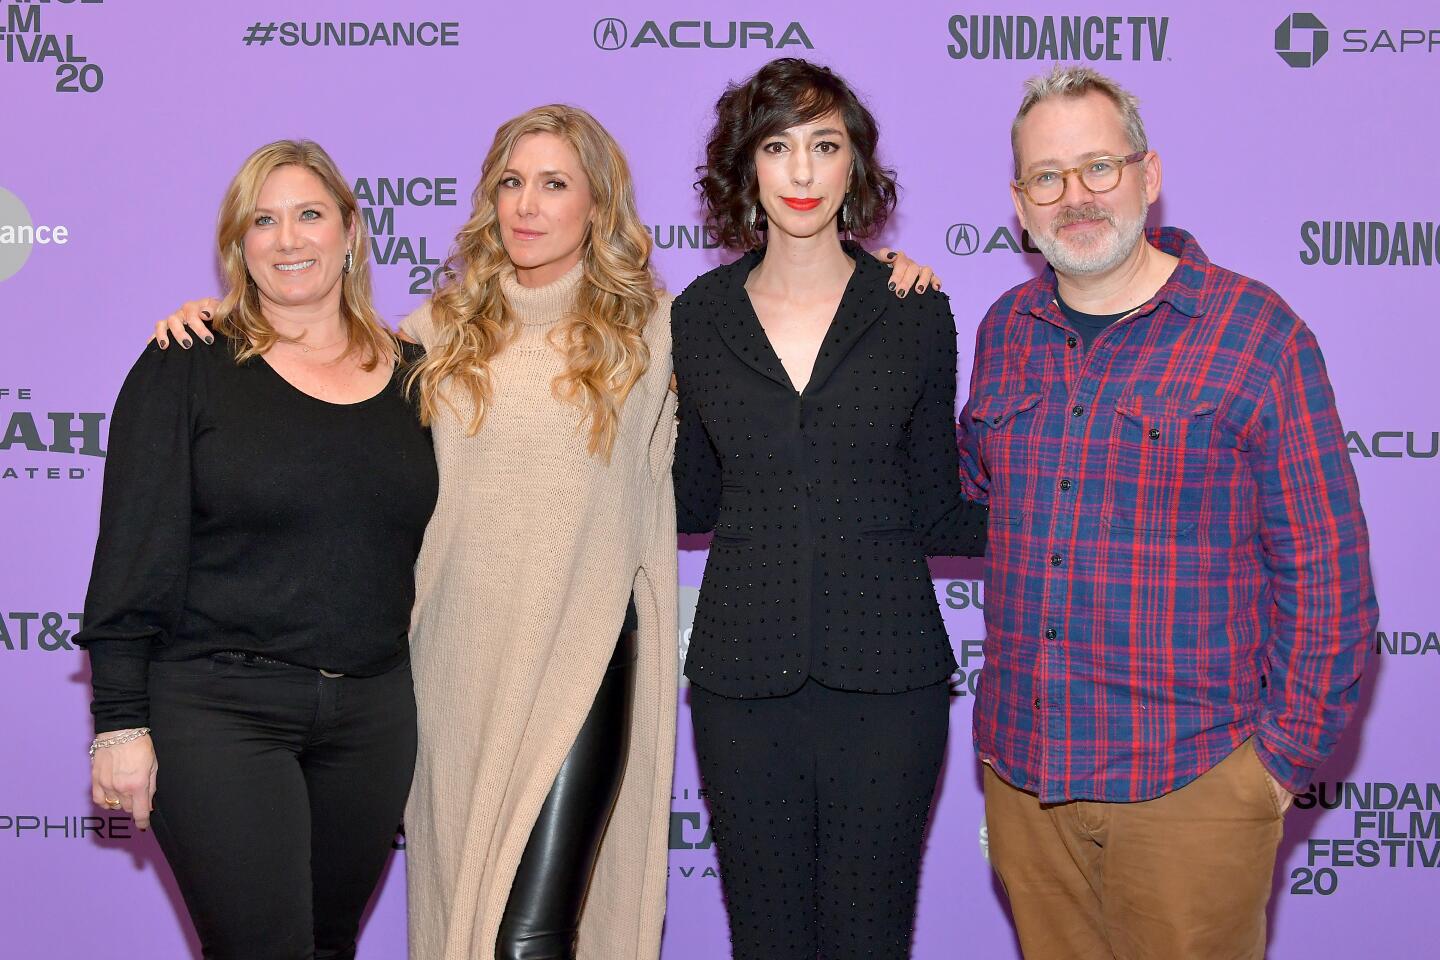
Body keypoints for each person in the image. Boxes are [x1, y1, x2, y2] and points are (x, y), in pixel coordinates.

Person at [149, 109, 938, 960]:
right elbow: (314, 360)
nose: (527, 205)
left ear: (597, 205)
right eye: (511, 183)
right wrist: (224, 317)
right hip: (456, 667)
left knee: (533, 933)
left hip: (584, 657)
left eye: (555, 183)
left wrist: (877, 274)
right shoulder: (429, 338)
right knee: (468, 913)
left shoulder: (661, 332)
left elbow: (791, 308)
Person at [958, 65, 1378, 959]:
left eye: (1099, 167)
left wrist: (1269, 774)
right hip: (1026, 779)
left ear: (1149, 176)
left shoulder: (1257, 335)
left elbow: (1330, 577)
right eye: (1048, 176)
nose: (1075, 196)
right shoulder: (1002, 334)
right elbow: (965, 501)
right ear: (1019, 202)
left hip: (1192, 778)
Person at [76, 139, 438, 960]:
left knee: (326, 944)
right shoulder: (187, 365)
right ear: (239, 246)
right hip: (217, 710)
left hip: (372, 718)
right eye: (262, 221)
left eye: (309, 214)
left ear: (351, 231)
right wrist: (118, 723)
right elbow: (132, 555)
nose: (288, 239)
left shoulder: (418, 377)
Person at [672, 58, 988, 960]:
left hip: (891, 681)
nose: (803, 173)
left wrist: (1077, 509)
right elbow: (689, 494)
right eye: (778, 147)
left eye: (825, 145)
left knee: (868, 939)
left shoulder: (914, 309)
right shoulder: (697, 315)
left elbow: (939, 507)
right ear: (748, 169)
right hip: (742, 683)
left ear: (857, 167)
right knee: (766, 942)